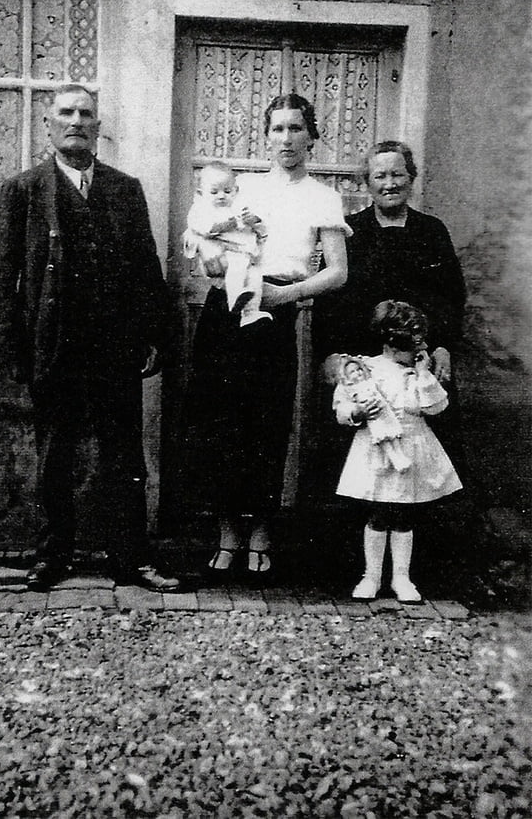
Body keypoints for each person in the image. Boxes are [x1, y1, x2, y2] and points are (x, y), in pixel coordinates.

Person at [0, 83, 180, 592]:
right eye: (65, 113)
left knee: (124, 458)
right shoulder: (23, 190)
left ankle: (132, 559)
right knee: (55, 457)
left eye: (85, 113)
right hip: (54, 348)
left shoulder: (125, 188)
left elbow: (146, 268)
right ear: (49, 126)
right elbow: (1, 279)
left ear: (98, 127)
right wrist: (11, 356)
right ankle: (53, 557)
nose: (76, 120)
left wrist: (157, 333)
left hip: (115, 349)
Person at [187, 93, 350, 579]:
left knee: (266, 423)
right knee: (219, 420)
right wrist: (205, 259)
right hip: (226, 308)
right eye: (277, 129)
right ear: (266, 135)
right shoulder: (242, 192)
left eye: (296, 128)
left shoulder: (323, 196)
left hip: (275, 309)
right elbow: (206, 236)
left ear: (312, 135)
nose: (286, 138)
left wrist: (291, 294)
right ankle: (226, 535)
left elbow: (338, 273)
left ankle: (260, 533)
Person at [313, 139, 467, 498]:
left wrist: (443, 346)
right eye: (380, 175)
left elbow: (451, 297)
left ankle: (427, 548)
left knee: (429, 461)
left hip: (420, 362)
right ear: (367, 182)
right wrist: (330, 354)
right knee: (355, 467)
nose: (390, 183)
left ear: (411, 178)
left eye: (398, 174)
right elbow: (328, 300)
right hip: (361, 366)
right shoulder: (349, 232)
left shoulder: (431, 231)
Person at [333, 301, 462, 602]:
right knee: (378, 514)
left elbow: (436, 407)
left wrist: (424, 375)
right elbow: (342, 407)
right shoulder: (365, 369)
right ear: (392, 343)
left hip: (412, 446)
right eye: (413, 345)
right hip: (377, 449)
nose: (421, 350)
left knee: (404, 515)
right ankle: (371, 577)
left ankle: (401, 578)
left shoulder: (418, 372)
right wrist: (357, 410)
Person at [183, 162, 272, 327]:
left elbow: (263, 230)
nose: (222, 196)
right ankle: (234, 302)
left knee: (254, 277)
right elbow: (199, 228)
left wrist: (254, 220)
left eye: (227, 191)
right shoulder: (202, 209)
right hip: (226, 254)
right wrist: (223, 225)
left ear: (236, 190)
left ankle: (251, 312)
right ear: (201, 193)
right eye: (214, 192)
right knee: (236, 269)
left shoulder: (240, 206)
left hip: (248, 255)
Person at [336, 355, 411, 473]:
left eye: (359, 369)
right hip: (373, 419)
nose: (358, 373)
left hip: (388, 413)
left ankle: (399, 456)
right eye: (352, 372)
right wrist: (356, 411)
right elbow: (342, 407)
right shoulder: (349, 389)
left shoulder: (372, 379)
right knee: (381, 436)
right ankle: (393, 459)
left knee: (394, 433)